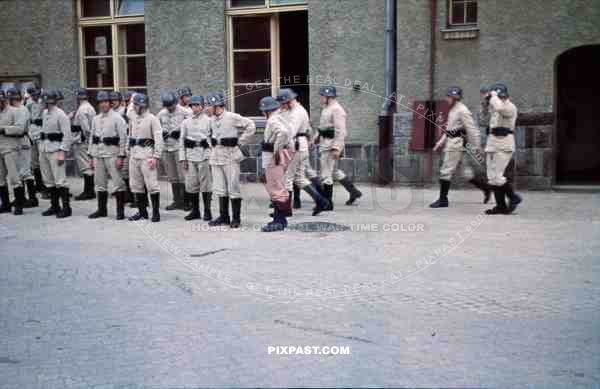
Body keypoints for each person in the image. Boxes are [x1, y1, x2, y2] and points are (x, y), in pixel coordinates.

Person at [430, 86, 490, 208]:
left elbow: (472, 129)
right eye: (447, 96)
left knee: (445, 170)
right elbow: (448, 130)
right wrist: (439, 143)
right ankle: (486, 188)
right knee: (465, 172)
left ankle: (443, 200)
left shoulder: (462, 110)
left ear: (455, 98)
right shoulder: (453, 109)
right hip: (452, 141)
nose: (447, 99)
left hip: (456, 143)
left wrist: (477, 146)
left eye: (449, 97)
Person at [205, 91, 256, 228]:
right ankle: (224, 216)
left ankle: (236, 218)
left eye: (209, 106)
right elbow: (208, 135)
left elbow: (251, 125)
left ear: (217, 105)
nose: (207, 108)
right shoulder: (211, 120)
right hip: (216, 157)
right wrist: (211, 145)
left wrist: (240, 142)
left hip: (230, 157)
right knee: (220, 188)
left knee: (233, 187)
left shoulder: (232, 117)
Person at [276, 88, 330, 216]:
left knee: (286, 179)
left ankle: (285, 211)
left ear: (287, 101)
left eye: (282, 103)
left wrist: (279, 146)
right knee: (299, 178)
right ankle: (321, 201)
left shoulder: (296, 113)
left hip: (295, 146)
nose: (281, 106)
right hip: (300, 145)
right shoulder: (297, 110)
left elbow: (290, 132)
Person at [316, 85, 361, 209]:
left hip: (330, 146)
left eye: (322, 96)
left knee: (326, 173)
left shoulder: (337, 109)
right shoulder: (326, 108)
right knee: (334, 172)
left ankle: (328, 203)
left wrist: (337, 147)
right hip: (325, 143)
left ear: (328, 96)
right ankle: (354, 192)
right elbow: (322, 127)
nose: (320, 98)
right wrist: (315, 138)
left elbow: (341, 131)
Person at [88, 91, 128, 220]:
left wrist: (121, 156)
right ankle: (101, 210)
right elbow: (92, 138)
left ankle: (120, 211)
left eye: (105, 102)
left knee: (118, 183)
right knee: (99, 183)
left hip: (112, 154)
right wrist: (91, 156)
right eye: (100, 102)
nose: (103, 104)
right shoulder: (95, 119)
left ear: (109, 103)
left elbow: (123, 138)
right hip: (98, 154)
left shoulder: (117, 118)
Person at [484, 83, 522, 214]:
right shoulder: (495, 107)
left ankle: (514, 197)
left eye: (497, 96)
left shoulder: (510, 107)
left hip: (504, 144)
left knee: (498, 176)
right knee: (492, 178)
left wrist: (494, 96)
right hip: (493, 143)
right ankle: (501, 206)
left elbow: (500, 108)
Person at [259, 96, 294, 232]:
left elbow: (284, 133)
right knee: (279, 187)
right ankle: (281, 219)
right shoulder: (281, 117)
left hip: (274, 157)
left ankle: (278, 221)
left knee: (276, 188)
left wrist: (277, 149)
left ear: (267, 111)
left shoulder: (273, 119)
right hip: (280, 155)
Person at [127, 93, 163, 222]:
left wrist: (156, 156)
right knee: (136, 185)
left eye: (138, 105)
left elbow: (158, 139)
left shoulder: (152, 119)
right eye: (135, 104)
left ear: (144, 106)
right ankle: (142, 212)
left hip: (147, 155)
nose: (136, 107)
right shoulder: (132, 116)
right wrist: (128, 149)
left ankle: (156, 212)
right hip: (134, 154)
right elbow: (130, 134)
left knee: (152, 185)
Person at [38, 90, 73, 218]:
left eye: (44, 101)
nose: (42, 103)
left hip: (56, 150)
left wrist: (63, 151)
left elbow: (67, 135)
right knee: (48, 180)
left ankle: (66, 208)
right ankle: (54, 206)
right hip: (44, 149)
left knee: (60, 180)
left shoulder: (61, 115)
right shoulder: (44, 113)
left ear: (49, 101)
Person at [179, 95, 213, 221]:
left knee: (206, 185)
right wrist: (183, 159)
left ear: (202, 106)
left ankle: (207, 211)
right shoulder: (186, 122)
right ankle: (195, 210)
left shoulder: (209, 121)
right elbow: (181, 140)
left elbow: (212, 139)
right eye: (193, 105)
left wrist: (211, 155)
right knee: (191, 184)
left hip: (205, 155)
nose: (195, 108)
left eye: (198, 105)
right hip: (191, 155)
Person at [7, 87, 37, 208]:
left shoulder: (22, 109)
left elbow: (20, 128)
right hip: (15, 142)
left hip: (22, 141)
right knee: (19, 172)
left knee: (25, 172)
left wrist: (7, 129)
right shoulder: (15, 110)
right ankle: (21, 198)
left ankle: (32, 198)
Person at [157, 90, 186, 211]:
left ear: (176, 102)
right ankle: (177, 201)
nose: (170, 108)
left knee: (183, 176)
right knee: (172, 175)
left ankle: (186, 201)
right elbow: (157, 129)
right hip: (166, 148)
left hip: (179, 147)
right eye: (167, 106)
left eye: (171, 105)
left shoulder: (185, 112)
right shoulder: (161, 114)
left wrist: (179, 133)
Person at [0, 89, 27, 215]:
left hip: (11, 148)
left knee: (15, 177)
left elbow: (20, 129)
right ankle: (5, 204)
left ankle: (19, 205)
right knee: (0, 179)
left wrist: (3, 129)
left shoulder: (15, 111)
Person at [71, 88, 96, 201]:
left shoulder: (81, 110)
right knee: (88, 166)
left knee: (86, 167)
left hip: (82, 141)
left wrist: (87, 141)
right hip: (86, 140)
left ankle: (89, 191)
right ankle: (89, 191)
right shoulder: (90, 107)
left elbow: (86, 129)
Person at [26, 86, 47, 199]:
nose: (35, 97)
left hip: (41, 132)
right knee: (34, 162)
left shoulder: (42, 102)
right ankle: (38, 184)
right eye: (33, 95)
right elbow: (26, 119)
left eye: (37, 95)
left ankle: (45, 185)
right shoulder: (28, 103)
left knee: (42, 160)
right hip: (32, 132)